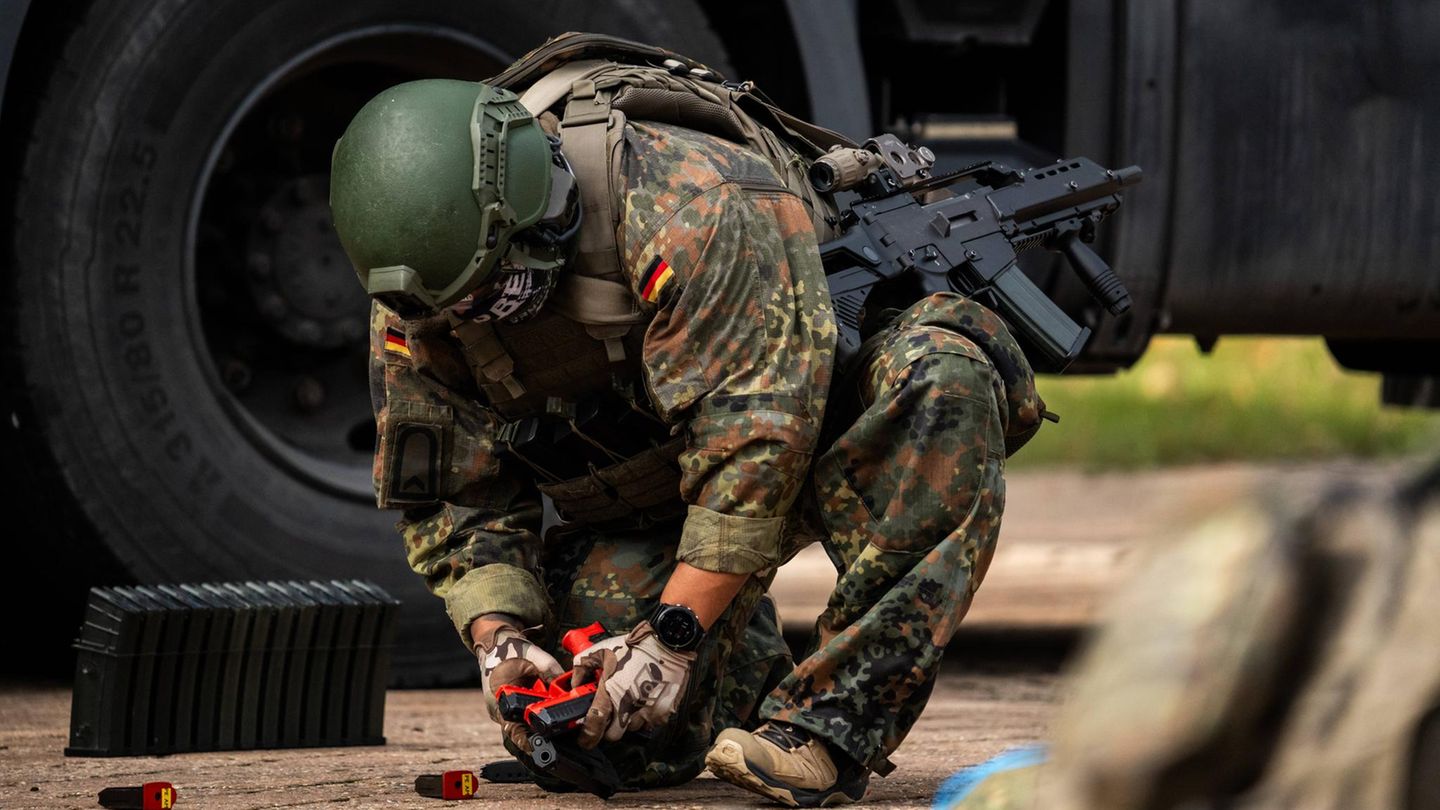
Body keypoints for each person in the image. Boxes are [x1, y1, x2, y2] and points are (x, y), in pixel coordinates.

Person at [330, 55, 1045, 807]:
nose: (472, 320)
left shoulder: (694, 205)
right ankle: (743, 688)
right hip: (665, 468)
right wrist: (499, 634)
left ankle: (829, 725)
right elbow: (452, 490)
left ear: (533, 219)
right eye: (456, 308)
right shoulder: (424, 289)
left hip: (810, 411)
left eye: (492, 295)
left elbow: (756, 447)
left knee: (943, 381)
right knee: (605, 733)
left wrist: (671, 638)